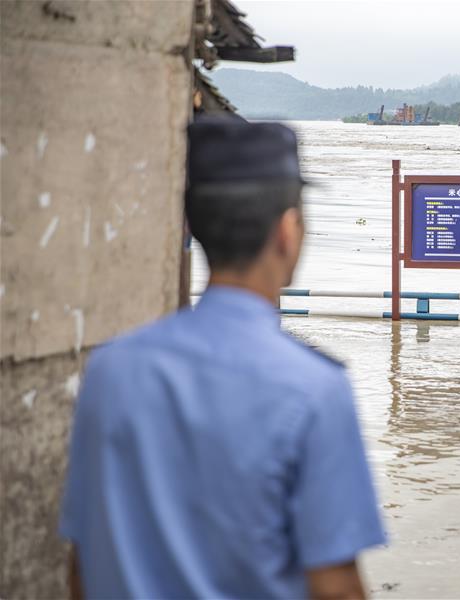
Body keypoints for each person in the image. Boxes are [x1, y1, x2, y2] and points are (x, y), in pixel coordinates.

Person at [59, 118, 386, 599]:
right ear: (288, 232)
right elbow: (335, 588)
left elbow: (81, 566)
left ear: (193, 227)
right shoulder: (314, 390)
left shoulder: (111, 371)